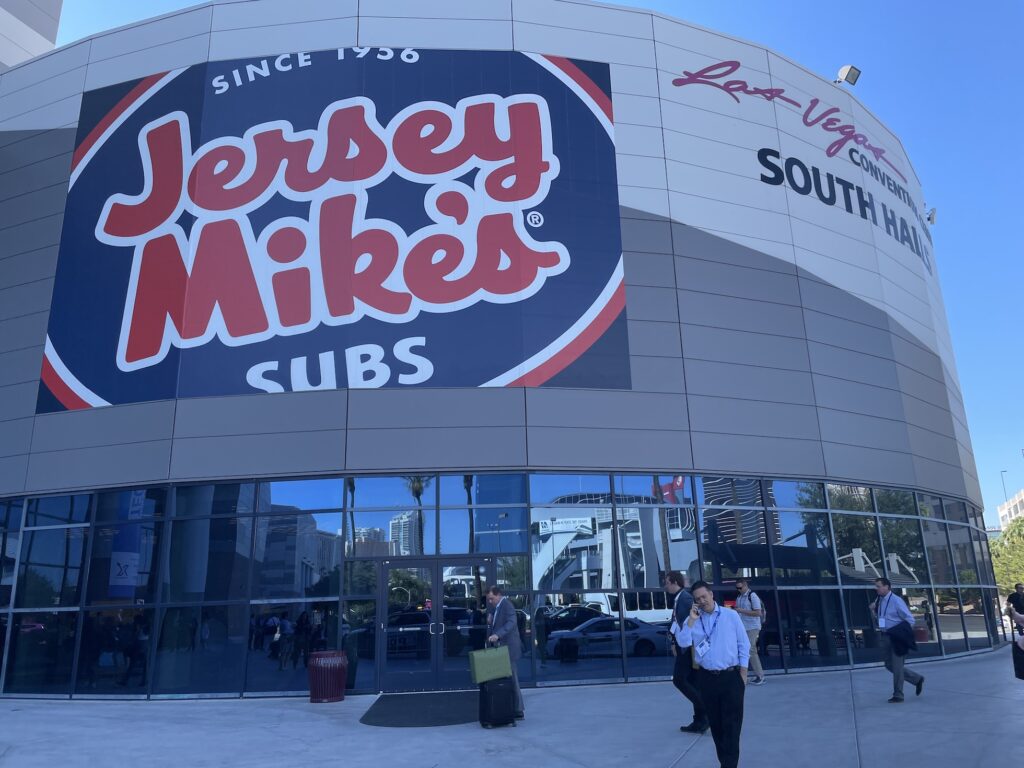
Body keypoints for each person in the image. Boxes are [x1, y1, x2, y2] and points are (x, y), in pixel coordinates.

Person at [679, 581, 749, 768]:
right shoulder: (693, 620)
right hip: (707, 679)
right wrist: (691, 620)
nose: (702, 601)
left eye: (704, 596)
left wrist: (743, 673)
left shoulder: (730, 616)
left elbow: (744, 644)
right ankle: (725, 763)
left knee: (732, 726)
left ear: (711, 594)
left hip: (731, 677)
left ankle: (729, 765)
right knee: (717, 726)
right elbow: (683, 642)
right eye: (698, 599)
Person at [664, 570, 707, 733]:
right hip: (683, 645)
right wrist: (674, 641)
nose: (666, 586)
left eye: (667, 583)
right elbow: (677, 623)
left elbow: (696, 619)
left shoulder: (686, 599)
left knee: (679, 680)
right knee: (693, 683)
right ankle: (700, 721)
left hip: (689, 647)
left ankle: (706, 708)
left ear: (675, 582)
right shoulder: (679, 599)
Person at [871, 578, 924, 703]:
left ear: (886, 587)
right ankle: (917, 679)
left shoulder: (896, 600)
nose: (876, 588)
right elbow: (880, 618)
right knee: (889, 665)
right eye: (876, 586)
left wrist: (900, 632)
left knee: (897, 666)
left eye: (878, 586)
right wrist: (873, 610)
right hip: (885, 636)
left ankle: (898, 695)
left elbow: (910, 619)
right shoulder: (879, 600)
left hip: (897, 638)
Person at [486, 585, 524, 719]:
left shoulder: (507, 605)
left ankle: (518, 710)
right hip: (501, 649)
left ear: (498, 595)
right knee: (505, 679)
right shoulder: (497, 607)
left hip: (509, 649)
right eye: (489, 599)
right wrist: (491, 620)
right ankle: (508, 708)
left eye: (491, 598)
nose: (490, 601)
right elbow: (499, 622)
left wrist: (498, 635)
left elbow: (512, 622)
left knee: (512, 679)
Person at [734, 578, 766, 685]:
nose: (738, 590)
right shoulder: (739, 597)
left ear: (745, 585)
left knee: (751, 649)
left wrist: (741, 610)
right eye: (737, 588)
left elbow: (758, 613)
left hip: (753, 627)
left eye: (740, 587)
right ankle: (744, 675)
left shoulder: (752, 596)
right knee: (743, 650)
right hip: (743, 627)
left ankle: (760, 676)